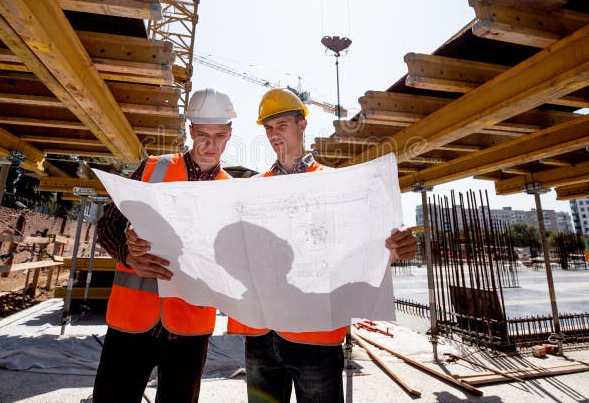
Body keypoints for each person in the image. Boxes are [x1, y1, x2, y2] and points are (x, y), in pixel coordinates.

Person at [227, 87, 417, 403]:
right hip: (261, 335)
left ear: (302, 126)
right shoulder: (253, 190)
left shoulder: (336, 186)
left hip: (314, 337)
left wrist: (395, 248)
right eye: (269, 128)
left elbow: (362, 247)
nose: (274, 134)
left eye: (282, 125)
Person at [92, 88, 237, 403]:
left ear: (229, 134)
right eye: (202, 135)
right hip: (132, 323)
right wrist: (127, 253)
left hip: (190, 329)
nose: (210, 145)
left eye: (219, 136)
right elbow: (107, 226)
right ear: (190, 131)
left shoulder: (231, 193)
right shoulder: (153, 169)